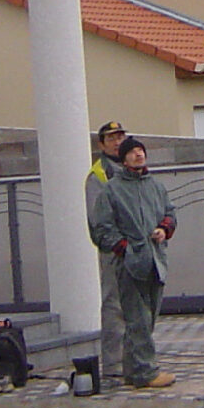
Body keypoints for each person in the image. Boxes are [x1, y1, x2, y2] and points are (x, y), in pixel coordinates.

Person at [89, 138, 176, 388]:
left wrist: (163, 229)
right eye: (133, 152)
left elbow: (170, 213)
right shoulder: (111, 190)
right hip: (129, 264)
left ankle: (132, 368)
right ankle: (146, 372)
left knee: (148, 318)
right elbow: (102, 229)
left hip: (155, 261)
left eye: (141, 151)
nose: (139, 155)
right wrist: (125, 249)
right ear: (124, 158)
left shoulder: (156, 186)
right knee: (136, 318)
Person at [83, 121, 129, 378]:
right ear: (101, 144)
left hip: (137, 249)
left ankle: (134, 359)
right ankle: (113, 364)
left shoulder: (132, 168)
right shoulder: (98, 175)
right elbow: (97, 218)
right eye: (111, 138)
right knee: (114, 306)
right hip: (115, 250)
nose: (117, 141)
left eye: (120, 136)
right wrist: (117, 243)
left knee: (136, 305)